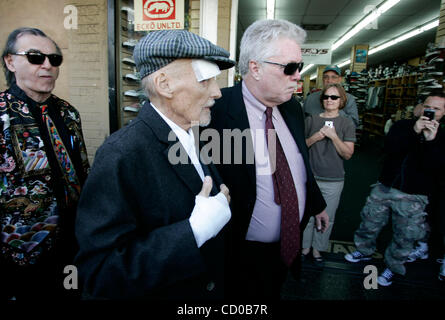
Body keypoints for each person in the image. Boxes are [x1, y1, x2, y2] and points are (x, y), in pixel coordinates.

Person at [74, 30, 235, 300]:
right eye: (205, 79)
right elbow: (100, 273)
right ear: (164, 84)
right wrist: (193, 231)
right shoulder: (121, 154)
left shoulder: (191, 134)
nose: (218, 92)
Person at [207, 19, 329, 300]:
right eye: (289, 68)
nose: (298, 76)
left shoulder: (292, 109)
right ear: (255, 67)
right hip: (238, 254)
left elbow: (299, 165)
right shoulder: (214, 111)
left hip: (287, 245)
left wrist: (316, 203)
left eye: (298, 67)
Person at [0, 27, 89, 300]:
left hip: (74, 243)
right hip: (19, 253)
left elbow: (82, 172)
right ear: (10, 61)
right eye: (36, 57)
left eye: (55, 59)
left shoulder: (68, 113)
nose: (47, 65)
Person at [344, 92, 445, 286]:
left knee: (405, 235)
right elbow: (389, 148)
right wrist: (414, 131)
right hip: (386, 186)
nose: (430, 111)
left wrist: (431, 141)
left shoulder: (442, 136)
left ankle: (393, 267)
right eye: (427, 106)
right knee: (369, 221)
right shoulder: (403, 126)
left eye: (436, 109)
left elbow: (437, 168)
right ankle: (364, 251)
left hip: (415, 194)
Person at [301, 83, 355, 264]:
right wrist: (316, 136)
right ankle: (305, 246)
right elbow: (301, 147)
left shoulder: (347, 123)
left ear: (342, 101)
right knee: (307, 215)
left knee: (327, 217)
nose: (329, 100)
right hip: (310, 177)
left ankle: (318, 248)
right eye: (326, 97)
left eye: (334, 97)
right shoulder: (311, 120)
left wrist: (333, 136)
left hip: (333, 179)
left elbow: (347, 154)